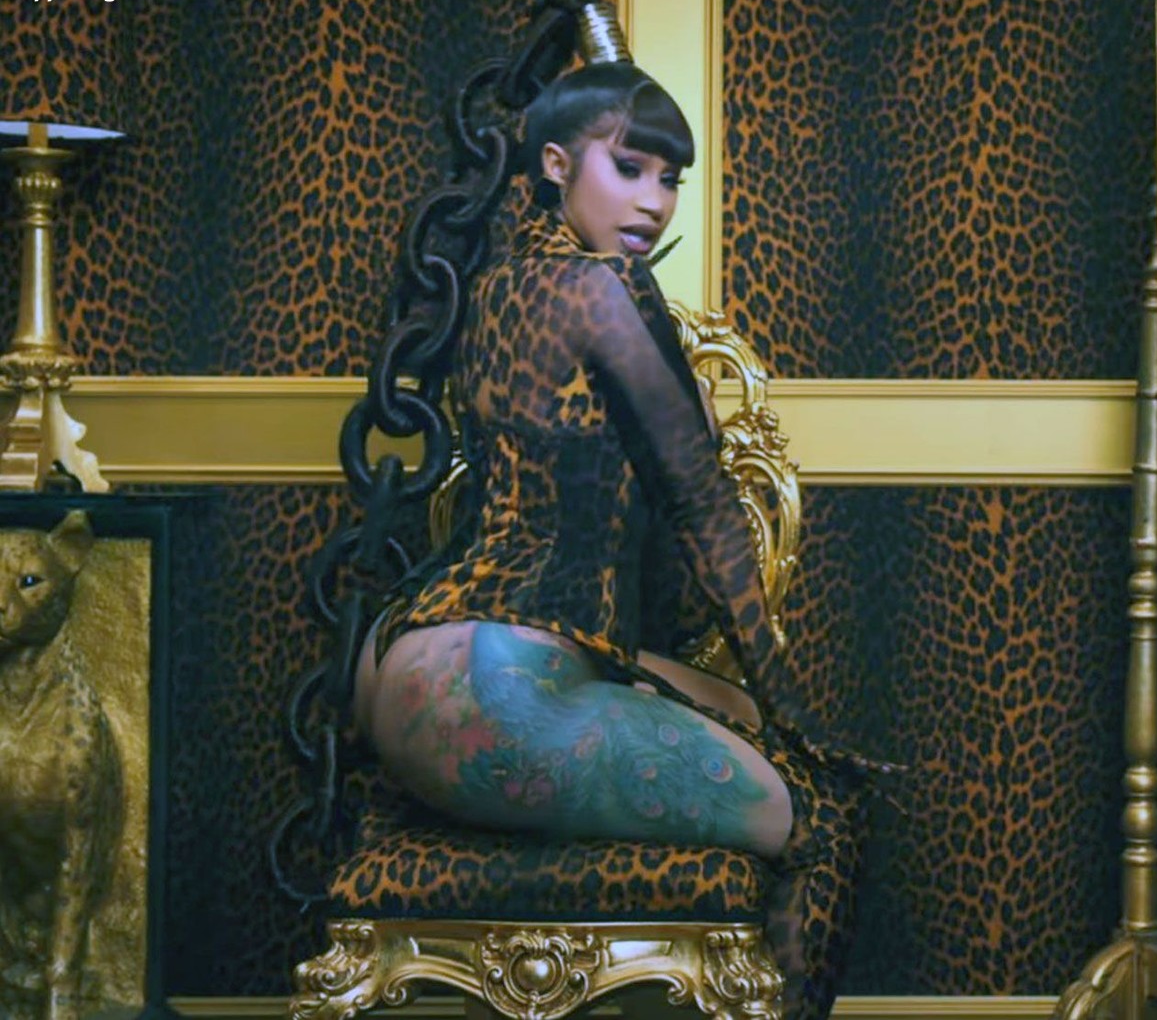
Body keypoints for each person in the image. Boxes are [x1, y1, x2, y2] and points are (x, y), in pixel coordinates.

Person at [347, 58, 869, 1020]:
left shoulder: (495, 286)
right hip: (494, 693)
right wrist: (793, 710)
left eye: (671, 179)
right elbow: (701, 509)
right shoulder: (603, 292)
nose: (654, 202)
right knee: (828, 810)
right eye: (629, 169)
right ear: (555, 164)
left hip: (406, 669)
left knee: (768, 747)